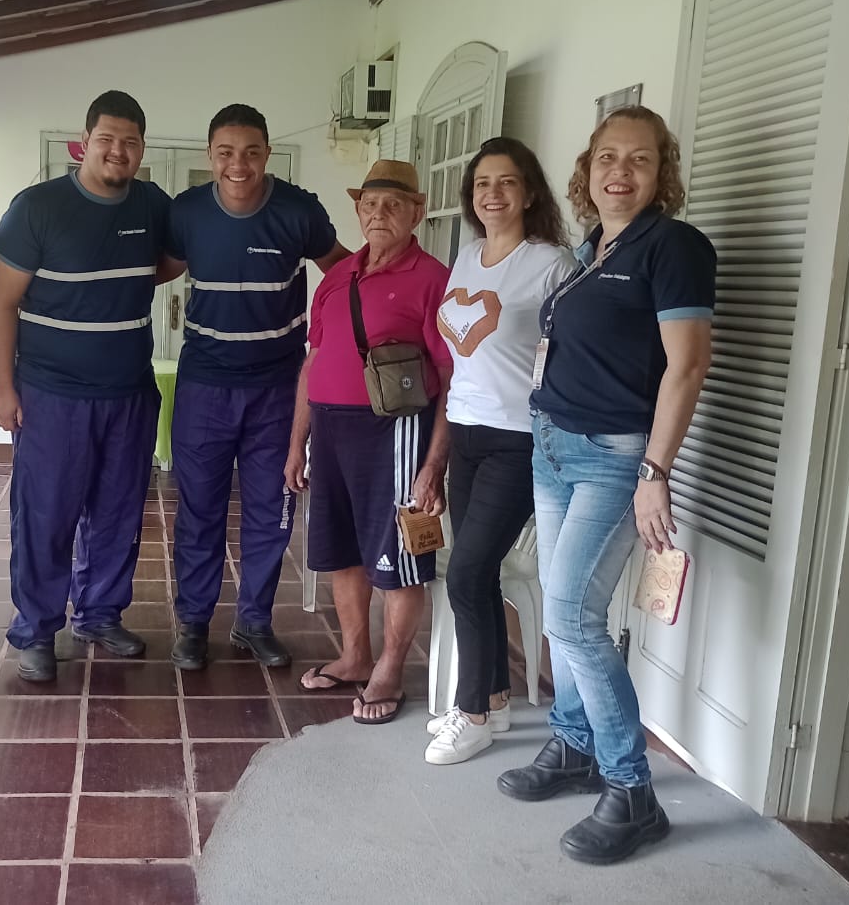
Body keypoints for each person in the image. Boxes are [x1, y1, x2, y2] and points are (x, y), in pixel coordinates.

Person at [497, 106, 714, 865]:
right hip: (553, 447)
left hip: (614, 457)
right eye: (607, 157)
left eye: (641, 160)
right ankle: (573, 744)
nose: (620, 171)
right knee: (563, 618)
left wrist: (654, 472)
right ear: (587, 170)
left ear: (663, 175)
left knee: (574, 617)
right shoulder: (592, 248)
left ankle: (634, 790)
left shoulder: (674, 247)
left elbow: (685, 366)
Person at [0, 90, 170, 682]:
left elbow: (169, 262)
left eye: (131, 142)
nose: (119, 151)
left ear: (142, 149)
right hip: (51, 394)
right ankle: (36, 629)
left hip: (128, 393)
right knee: (46, 514)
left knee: (117, 512)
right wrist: (5, 388)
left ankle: (99, 613)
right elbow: (3, 304)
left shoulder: (151, 205)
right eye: (107, 139)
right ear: (84, 143)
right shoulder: (37, 208)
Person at [162, 103, 347, 672]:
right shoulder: (187, 213)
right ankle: (193, 622)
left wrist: (336, 344)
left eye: (251, 152)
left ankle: (254, 621)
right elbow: (154, 270)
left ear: (267, 153)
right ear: (209, 156)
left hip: (277, 388)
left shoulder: (298, 211)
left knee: (273, 507)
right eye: (225, 152)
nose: (238, 164)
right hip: (205, 386)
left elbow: (342, 272)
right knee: (201, 508)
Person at [424, 137, 576, 765]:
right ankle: (494, 697)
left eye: (507, 182)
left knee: (464, 571)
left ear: (529, 192)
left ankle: (471, 714)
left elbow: (571, 357)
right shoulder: (466, 257)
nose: (493, 194)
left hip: (519, 438)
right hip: (466, 429)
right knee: (475, 569)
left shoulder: (552, 264)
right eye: (483, 184)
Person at [285, 160, 453, 724]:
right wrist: (296, 445)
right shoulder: (337, 278)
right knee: (341, 551)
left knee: (401, 556)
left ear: (417, 211)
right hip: (331, 430)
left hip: (396, 431)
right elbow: (314, 362)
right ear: (357, 211)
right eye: (369, 205)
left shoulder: (434, 278)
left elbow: (451, 378)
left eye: (393, 204)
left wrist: (434, 464)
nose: (378, 214)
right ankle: (356, 656)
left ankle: (389, 668)